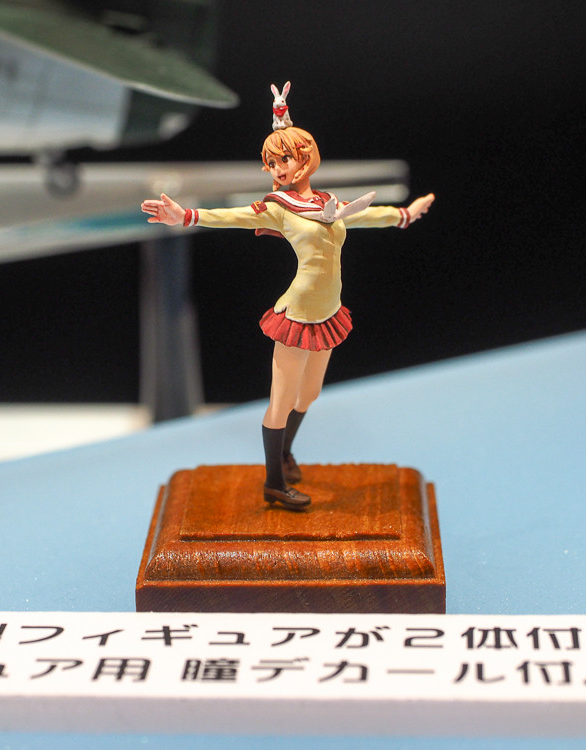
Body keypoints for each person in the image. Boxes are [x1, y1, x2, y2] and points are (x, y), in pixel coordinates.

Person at [141, 82, 434, 511]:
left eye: (284, 159)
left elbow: (367, 215)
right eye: (271, 163)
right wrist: (186, 215)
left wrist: (405, 214)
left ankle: (285, 453)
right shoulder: (278, 208)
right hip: (296, 316)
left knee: (308, 396)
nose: (278, 169)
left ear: (305, 157)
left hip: (328, 313)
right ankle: (274, 483)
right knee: (280, 402)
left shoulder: (328, 203)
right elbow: (236, 217)